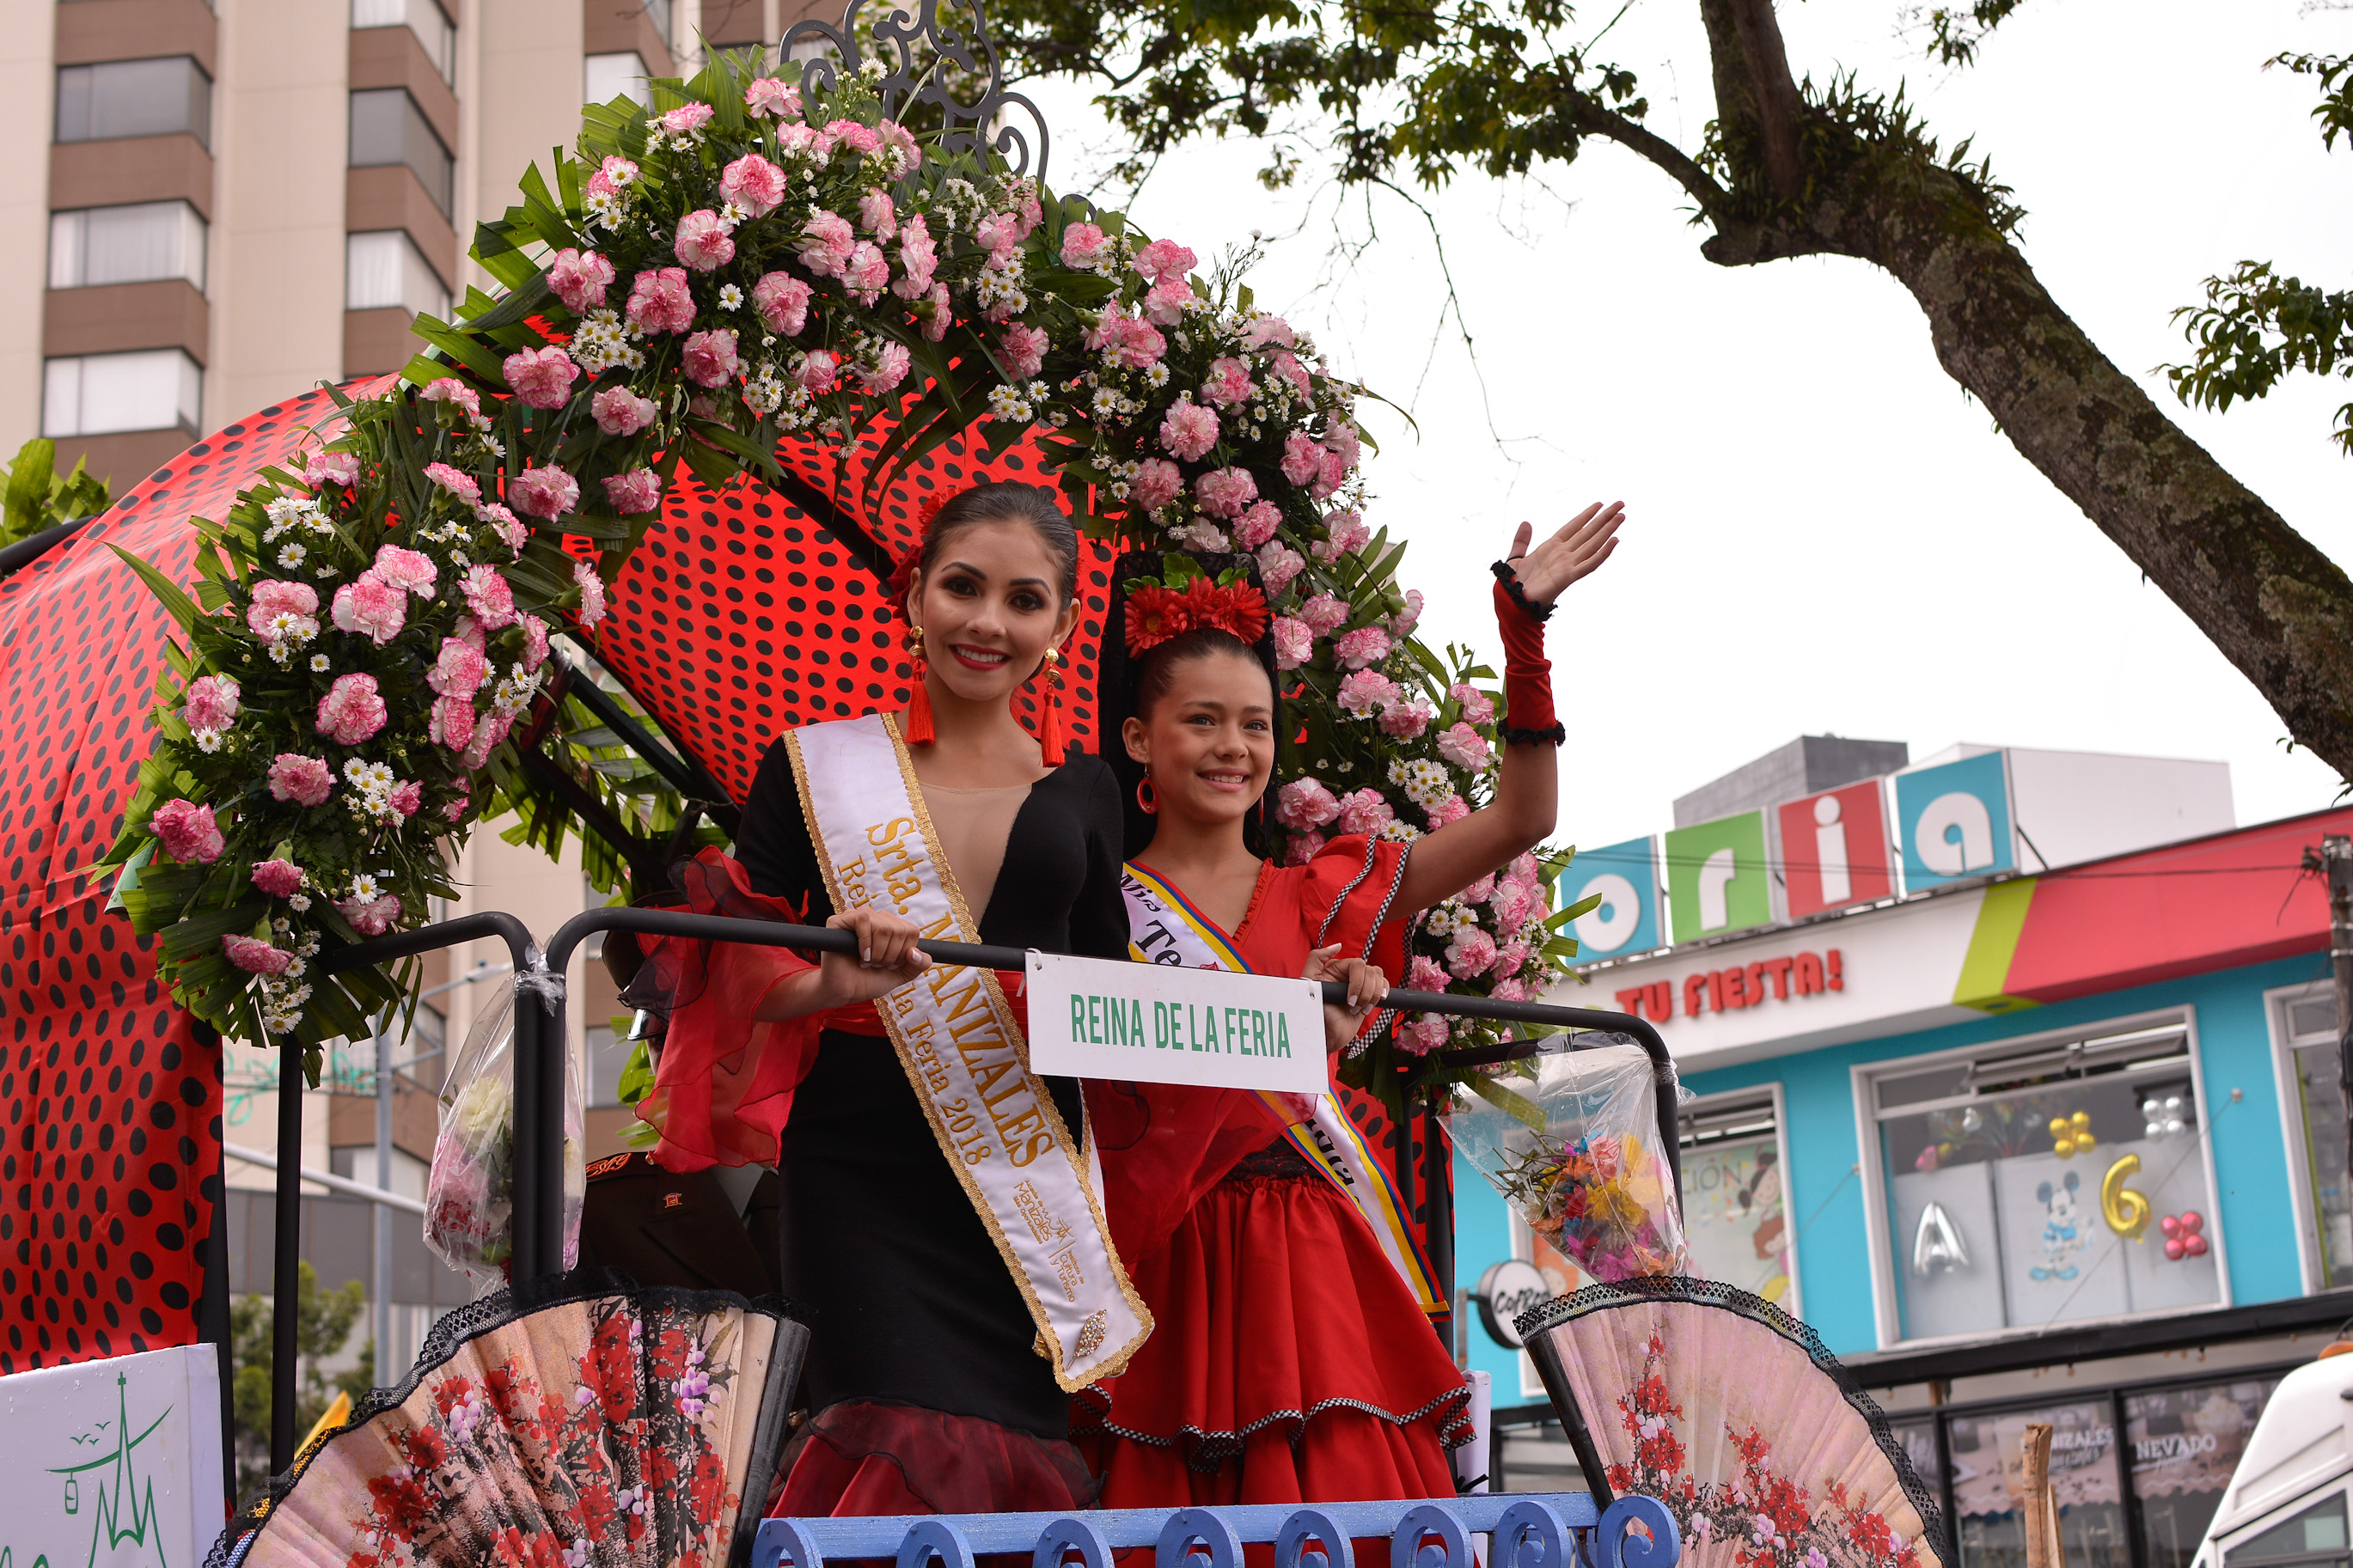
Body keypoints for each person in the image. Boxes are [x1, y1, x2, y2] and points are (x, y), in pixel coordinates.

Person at [624, 480, 1181, 1517]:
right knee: (887, 1423)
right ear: (915, 592)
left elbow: (1112, 992)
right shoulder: (812, 767)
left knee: (1015, 1447)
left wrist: (1295, 1018)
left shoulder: (1089, 789)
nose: (988, 622)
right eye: (962, 587)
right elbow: (727, 978)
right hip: (858, 1160)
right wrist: (829, 980)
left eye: (1023, 600)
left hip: (1021, 1162)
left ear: (1061, 624)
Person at [1074, 503, 1624, 1534]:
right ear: (1138, 738)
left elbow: (1523, 817)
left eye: (1253, 725)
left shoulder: (1322, 892)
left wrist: (1523, 633)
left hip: (1306, 1252)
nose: (1232, 747)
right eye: (1202, 721)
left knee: (1339, 1507)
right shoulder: (1089, 907)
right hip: (1165, 1256)